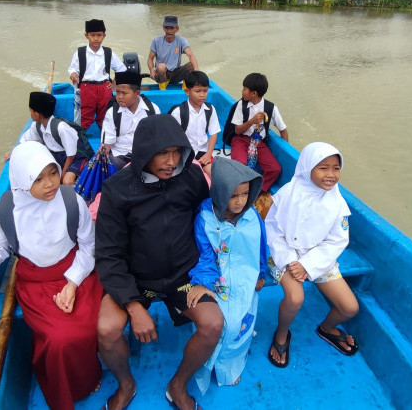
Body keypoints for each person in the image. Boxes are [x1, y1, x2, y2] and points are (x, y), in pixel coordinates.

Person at [0, 141, 103, 409]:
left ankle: (86, 379)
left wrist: (72, 283)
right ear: (21, 180)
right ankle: (60, 386)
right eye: (38, 179)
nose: (50, 183)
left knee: (84, 329)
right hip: (36, 282)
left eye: (52, 173)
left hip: (77, 272)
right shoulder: (7, 209)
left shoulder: (72, 201)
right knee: (59, 338)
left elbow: (88, 247)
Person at [95, 114, 223, 410]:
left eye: (176, 151)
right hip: (136, 279)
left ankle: (177, 386)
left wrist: (208, 273)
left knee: (213, 324)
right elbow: (108, 254)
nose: (170, 160)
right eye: (162, 153)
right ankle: (126, 385)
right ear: (143, 154)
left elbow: (207, 223)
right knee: (106, 330)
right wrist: (133, 304)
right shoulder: (117, 189)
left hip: (183, 275)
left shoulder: (190, 177)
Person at [265, 142, 359, 367]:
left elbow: (337, 241)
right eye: (323, 168)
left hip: (319, 259)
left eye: (336, 168)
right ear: (308, 168)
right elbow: (273, 229)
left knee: (349, 307)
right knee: (295, 298)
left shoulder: (337, 203)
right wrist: (290, 261)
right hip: (284, 255)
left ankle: (326, 328)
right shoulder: (288, 193)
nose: (331, 175)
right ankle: (282, 333)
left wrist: (307, 265)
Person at [187, 157, 269, 394]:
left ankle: (228, 369)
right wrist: (203, 282)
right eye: (233, 195)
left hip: (246, 280)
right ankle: (207, 364)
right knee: (220, 325)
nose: (240, 201)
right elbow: (203, 253)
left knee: (239, 327)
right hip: (217, 280)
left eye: (245, 194)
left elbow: (261, 248)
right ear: (220, 192)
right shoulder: (205, 219)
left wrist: (261, 273)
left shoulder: (253, 216)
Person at [7, 91, 90, 186]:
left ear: (37, 114)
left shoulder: (61, 128)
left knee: (67, 181)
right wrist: (14, 152)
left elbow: (71, 155)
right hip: (57, 157)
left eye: (31, 111)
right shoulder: (36, 126)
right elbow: (26, 141)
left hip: (75, 158)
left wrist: (62, 177)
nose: (30, 114)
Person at [229, 72, 289, 193]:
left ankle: (257, 191)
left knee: (275, 169)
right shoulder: (241, 105)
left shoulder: (270, 108)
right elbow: (237, 130)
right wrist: (252, 121)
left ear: (254, 93)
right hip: (241, 140)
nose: (242, 91)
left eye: (245, 89)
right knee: (240, 164)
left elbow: (283, 130)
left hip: (258, 143)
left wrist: (285, 150)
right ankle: (239, 190)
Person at [68, 19, 127, 129]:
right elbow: (73, 69)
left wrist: (114, 84)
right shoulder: (80, 52)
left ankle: (104, 142)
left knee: (105, 118)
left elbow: (121, 69)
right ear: (86, 36)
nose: (96, 38)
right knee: (84, 118)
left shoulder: (108, 52)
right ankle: (81, 143)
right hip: (86, 88)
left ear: (104, 36)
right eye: (92, 35)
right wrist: (74, 75)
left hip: (104, 88)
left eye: (99, 35)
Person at [101, 71, 160, 169]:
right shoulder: (112, 113)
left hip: (145, 157)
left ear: (137, 93)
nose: (119, 97)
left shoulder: (153, 110)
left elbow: (158, 139)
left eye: (124, 93)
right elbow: (106, 145)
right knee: (105, 167)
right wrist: (101, 162)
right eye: (117, 92)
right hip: (119, 157)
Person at [169, 70, 220, 175]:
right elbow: (173, 139)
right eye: (198, 91)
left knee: (214, 175)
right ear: (187, 91)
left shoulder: (210, 110)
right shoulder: (178, 112)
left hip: (203, 152)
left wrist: (208, 154)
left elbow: (213, 134)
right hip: (185, 153)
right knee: (192, 175)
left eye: (205, 91)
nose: (202, 95)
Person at [147, 15, 199, 86]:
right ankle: (162, 89)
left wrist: (196, 71)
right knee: (161, 67)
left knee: (192, 64)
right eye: (166, 28)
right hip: (162, 74)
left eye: (172, 28)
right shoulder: (156, 41)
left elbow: (190, 55)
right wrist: (152, 71)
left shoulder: (181, 40)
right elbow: (150, 59)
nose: (169, 31)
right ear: (163, 28)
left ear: (177, 29)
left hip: (176, 73)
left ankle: (186, 87)